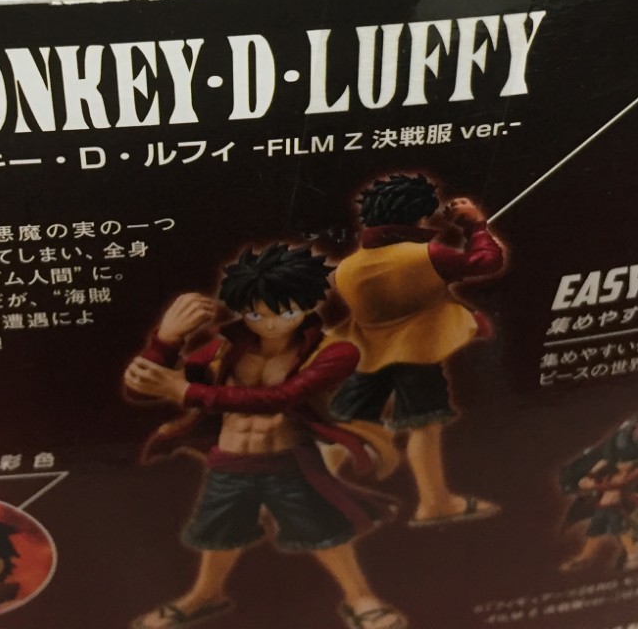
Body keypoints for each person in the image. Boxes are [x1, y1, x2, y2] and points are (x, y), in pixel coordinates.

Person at [124, 243, 405, 629]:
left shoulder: (334, 351)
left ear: (309, 304)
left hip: (289, 460)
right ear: (242, 308)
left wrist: (186, 391)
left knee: (324, 532)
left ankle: (360, 597)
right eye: (256, 314)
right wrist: (167, 340)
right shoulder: (225, 349)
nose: (270, 324)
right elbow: (141, 388)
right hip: (229, 461)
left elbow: (282, 398)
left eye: (285, 312)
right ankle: (205, 595)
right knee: (219, 534)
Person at [327, 174, 506, 526]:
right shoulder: (425, 255)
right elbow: (487, 261)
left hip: (368, 355)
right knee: (424, 425)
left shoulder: (347, 268)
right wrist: (475, 225)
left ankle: (313, 493)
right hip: (416, 353)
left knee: (346, 425)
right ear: (418, 216)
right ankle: (435, 502)